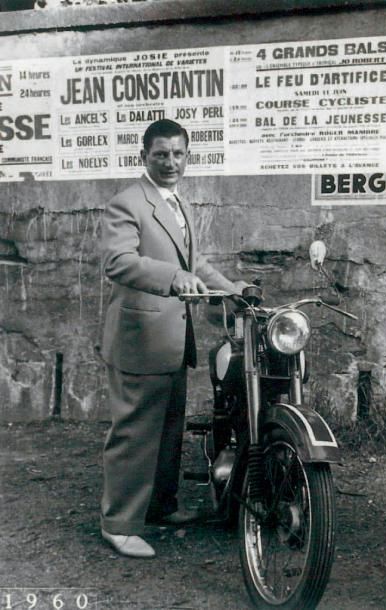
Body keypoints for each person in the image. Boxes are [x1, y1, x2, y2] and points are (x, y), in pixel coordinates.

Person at [100, 119, 245, 558]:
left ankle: (161, 506)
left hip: (171, 340)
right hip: (140, 338)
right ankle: (119, 523)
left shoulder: (177, 201)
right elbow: (118, 261)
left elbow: (194, 264)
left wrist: (234, 289)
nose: (170, 162)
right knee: (135, 433)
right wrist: (172, 277)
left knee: (167, 431)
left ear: (188, 156)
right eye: (161, 154)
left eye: (178, 154)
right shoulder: (128, 202)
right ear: (143, 156)